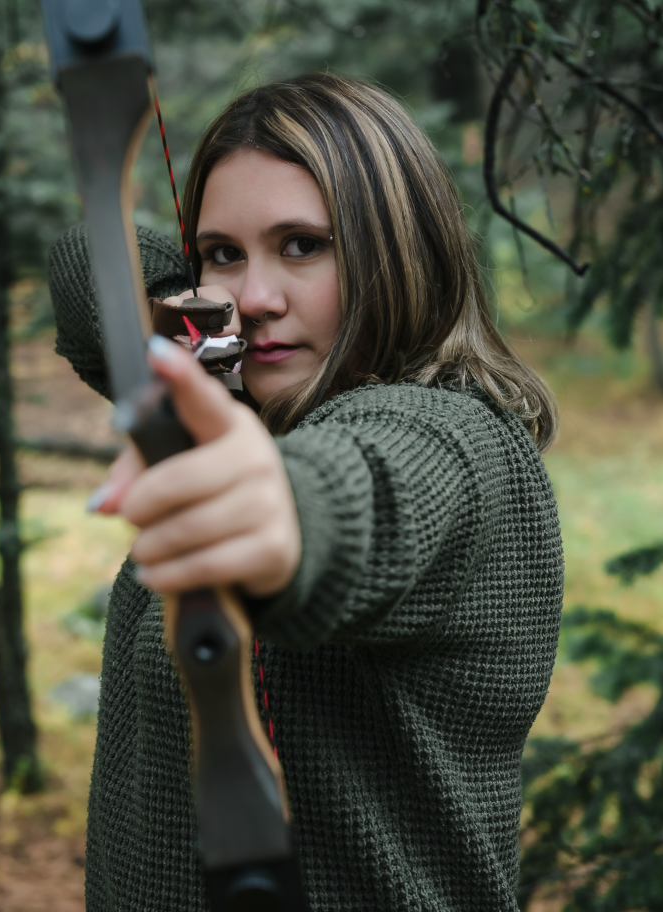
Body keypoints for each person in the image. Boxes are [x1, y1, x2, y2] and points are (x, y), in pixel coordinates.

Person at [47, 73, 564, 912]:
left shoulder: (461, 441)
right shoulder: (235, 400)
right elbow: (86, 274)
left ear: (398, 247)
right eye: (223, 252)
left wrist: (278, 510)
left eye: (302, 245)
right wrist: (200, 335)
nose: (254, 300)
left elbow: (362, 493)